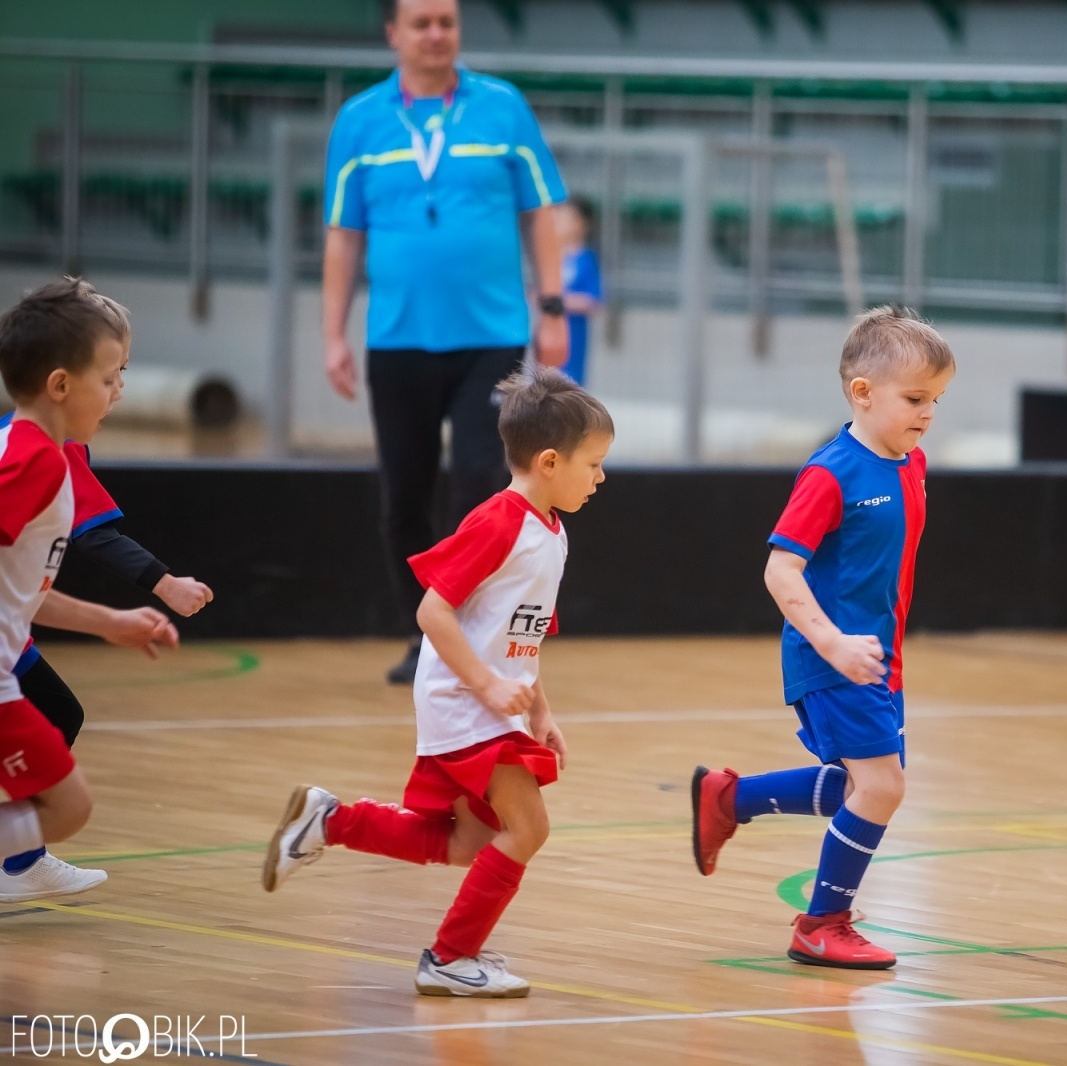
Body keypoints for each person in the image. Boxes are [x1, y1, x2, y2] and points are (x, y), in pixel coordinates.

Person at [263, 366, 612, 999]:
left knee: (466, 843)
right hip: (464, 702)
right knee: (528, 830)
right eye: (594, 464)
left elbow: (522, 639)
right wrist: (484, 686)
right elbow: (432, 611)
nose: (600, 477)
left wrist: (540, 710)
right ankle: (451, 959)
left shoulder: (552, 534)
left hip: (493, 706)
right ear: (551, 461)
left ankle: (332, 822)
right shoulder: (501, 521)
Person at [689, 306, 955, 970]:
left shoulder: (912, 463)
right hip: (833, 657)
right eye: (915, 398)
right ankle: (822, 922)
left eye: (936, 400)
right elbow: (780, 569)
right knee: (882, 787)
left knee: (857, 786)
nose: (927, 413)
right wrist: (833, 642)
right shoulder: (831, 474)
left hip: (878, 662)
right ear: (861, 393)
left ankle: (728, 797)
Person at [321, 0, 571, 685]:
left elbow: (541, 209)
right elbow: (344, 235)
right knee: (403, 496)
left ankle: (478, 637)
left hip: (490, 338)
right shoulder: (361, 120)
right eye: (422, 22)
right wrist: (332, 333)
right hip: (397, 340)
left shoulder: (502, 107)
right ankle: (423, 633)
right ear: (393, 33)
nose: (437, 33)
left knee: (479, 485)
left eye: (447, 21)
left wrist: (551, 307)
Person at [0, 294, 212, 904]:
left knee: (67, 803)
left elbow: (21, 595)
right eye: (110, 375)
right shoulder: (35, 461)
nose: (120, 388)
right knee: (66, 806)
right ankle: (19, 867)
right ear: (61, 384)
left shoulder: (44, 453)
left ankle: (19, 866)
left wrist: (110, 622)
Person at [557, 197, 603, 387]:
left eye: (566, 219)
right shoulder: (552, 259)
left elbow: (593, 300)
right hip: (550, 336)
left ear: (581, 224)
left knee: (568, 389)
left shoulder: (585, 259)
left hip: (573, 338)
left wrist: (560, 302)